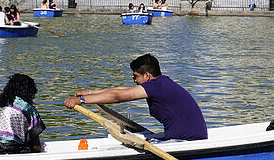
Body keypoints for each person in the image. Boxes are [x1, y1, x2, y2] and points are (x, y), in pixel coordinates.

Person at [64, 54, 207, 141]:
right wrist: (89, 93)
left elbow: (119, 97)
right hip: (187, 136)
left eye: (135, 77)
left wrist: (82, 101)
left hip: (187, 140)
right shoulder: (161, 83)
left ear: (147, 76)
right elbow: (120, 90)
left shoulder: (157, 86)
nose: (134, 81)